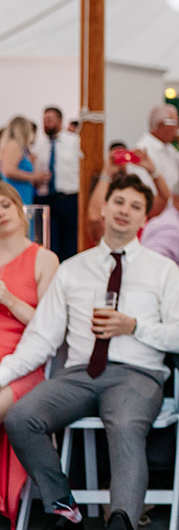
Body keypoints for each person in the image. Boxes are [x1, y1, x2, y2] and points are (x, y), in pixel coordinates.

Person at [0, 173, 179, 530]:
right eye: (119, 202)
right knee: (20, 416)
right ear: (104, 208)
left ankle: (121, 520)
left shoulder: (163, 270)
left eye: (136, 207)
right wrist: (2, 376)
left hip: (136, 374)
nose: (125, 211)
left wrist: (133, 326)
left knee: (124, 425)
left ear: (144, 219)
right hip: (78, 375)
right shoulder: (73, 269)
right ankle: (63, 507)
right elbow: (42, 338)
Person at [0, 181, 60, 523]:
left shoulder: (44, 258)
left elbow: (50, 327)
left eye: (5, 205)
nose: (0, 213)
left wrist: (8, 299)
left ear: (19, 209)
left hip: (24, 364)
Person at [32, 106, 81, 259]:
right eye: (45, 120)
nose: (46, 123)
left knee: (70, 243)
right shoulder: (39, 147)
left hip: (69, 198)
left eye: (50, 120)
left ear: (59, 121)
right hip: (46, 198)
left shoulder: (75, 142)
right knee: (48, 242)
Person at [135, 104, 179, 188]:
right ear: (162, 125)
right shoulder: (143, 150)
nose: (178, 128)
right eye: (176, 123)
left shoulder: (168, 148)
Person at [0, 117, 48, 206]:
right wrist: (34, 177)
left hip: (23, 194)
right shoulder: (14, 145)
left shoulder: (20, 147)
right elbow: (8, 171)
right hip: (17, 194)